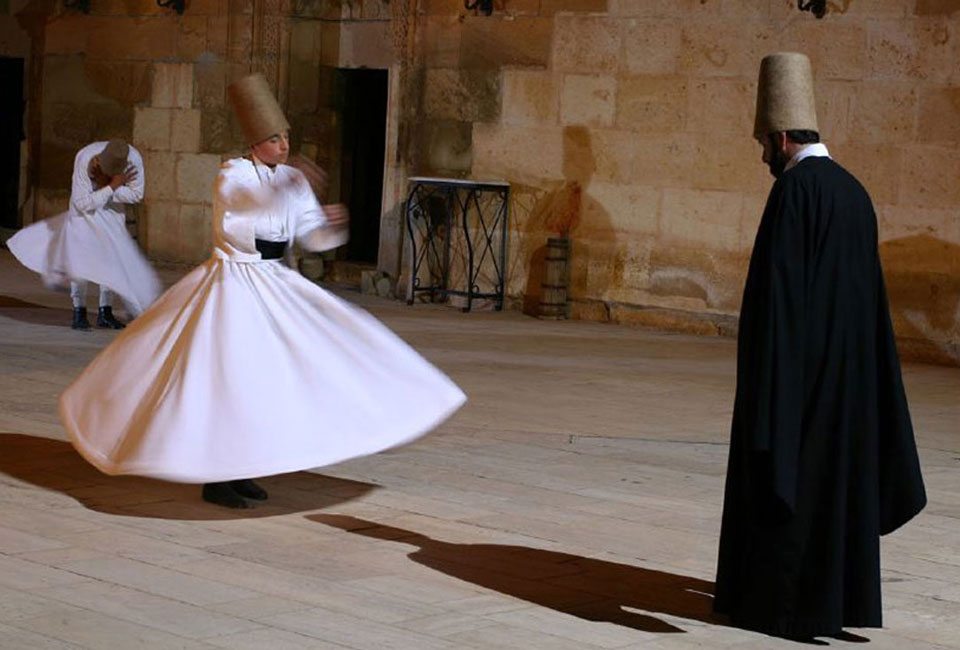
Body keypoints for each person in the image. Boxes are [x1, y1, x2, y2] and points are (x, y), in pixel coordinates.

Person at [58, 73, 466, 508]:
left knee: (283, 372)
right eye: (274, 139)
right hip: (235, 281)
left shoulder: (291, 179)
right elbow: (240, 207)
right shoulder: (231, 174)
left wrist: (330, 224)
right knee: (230, 378)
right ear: (256, 142)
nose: (284, 146)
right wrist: (284, 192)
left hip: (276, 279)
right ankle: (216, 475)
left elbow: (309, 235)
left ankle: (245, 467)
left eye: (286, 137)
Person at [713, 52, 927, 640]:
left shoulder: (794, 194)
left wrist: (768, 396)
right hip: (849, 385)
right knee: (838, 495)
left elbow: (779, 306)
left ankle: (785, 609)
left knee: (795, 492)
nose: (762, 156)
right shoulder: (855, 194)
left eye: (762, 143)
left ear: (781, 136)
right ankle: (836, 607)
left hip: (803, 385)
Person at [7, 139, 160, 329]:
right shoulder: (85, 158)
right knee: (81, 258)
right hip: (82, 215)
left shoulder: (133, 159)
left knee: (110, 257)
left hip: (112, 212)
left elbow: (136, 195)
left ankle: (105, 311)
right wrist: (112, 187)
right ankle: (79, 310)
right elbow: (83, 203)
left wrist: (109, 187)